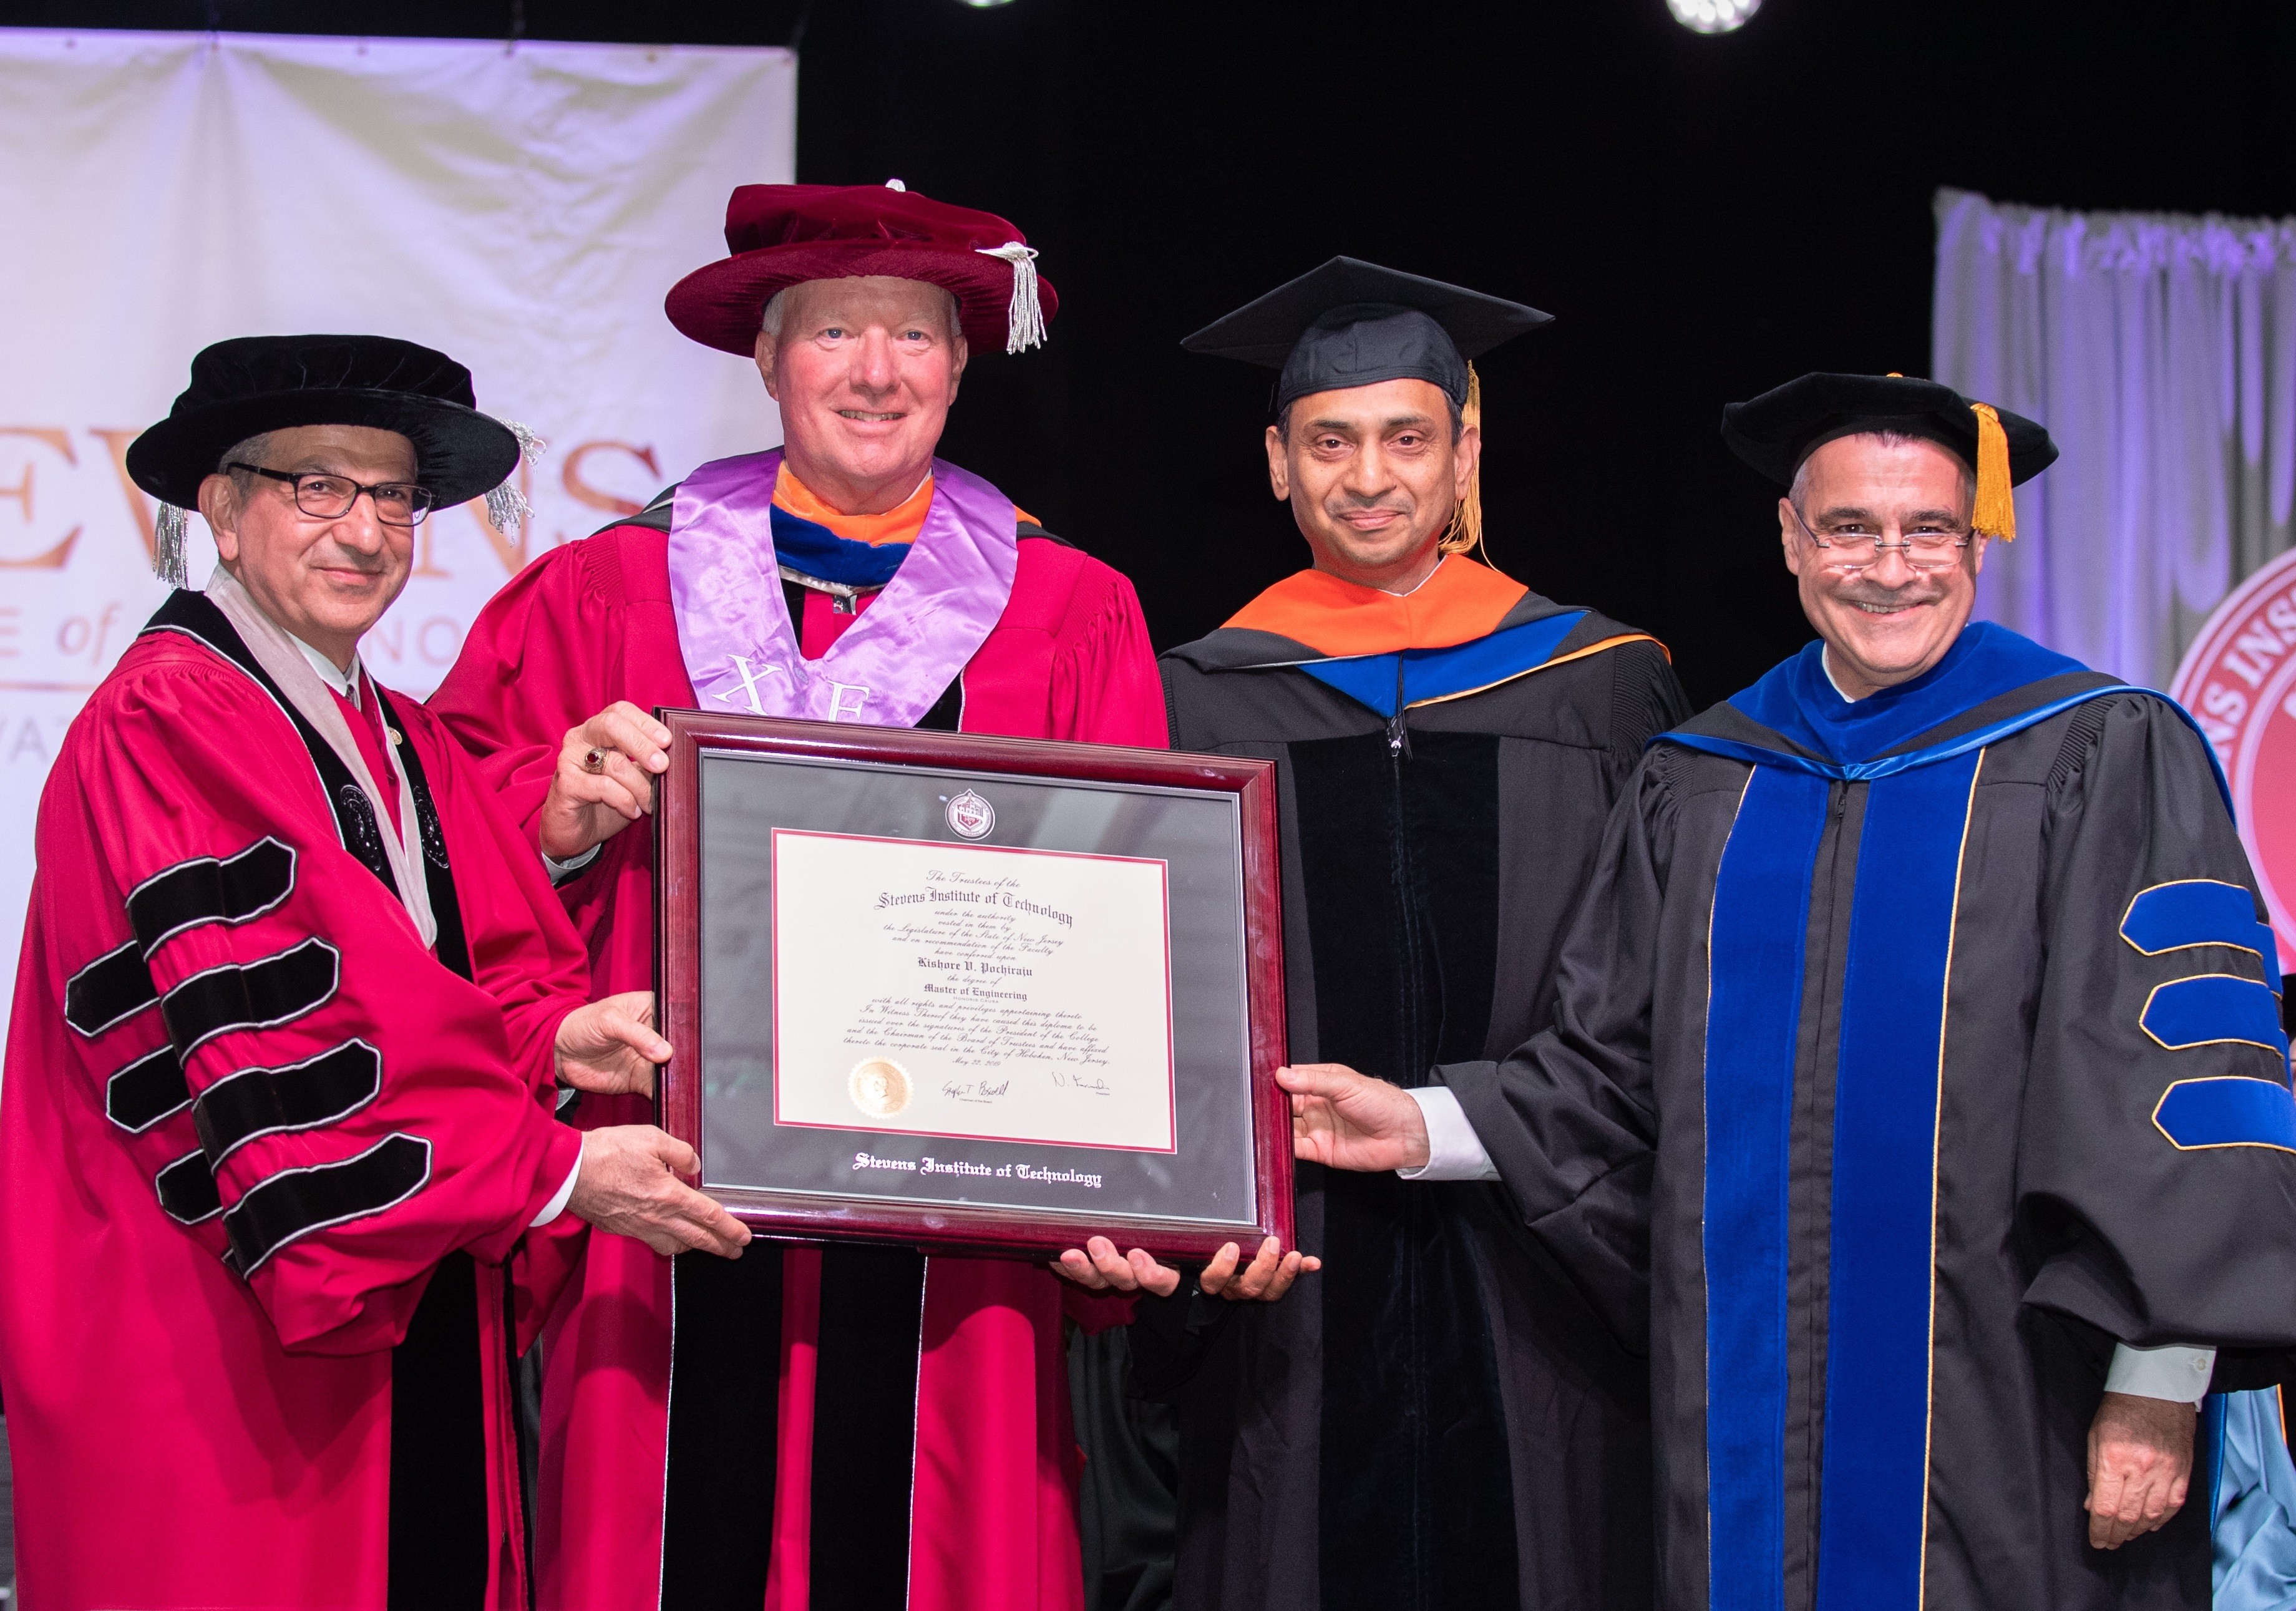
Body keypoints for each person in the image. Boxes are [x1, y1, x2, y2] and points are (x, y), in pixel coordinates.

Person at [1280, 372, 2296, 1610]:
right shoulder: (1707, 777)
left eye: (1928, 529)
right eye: (1849, 528)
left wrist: (2157, 1385)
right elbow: (1609, 1069)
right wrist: (1420, 1124)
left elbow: (2182, 1087)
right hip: (1748, 1419)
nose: (1890, 567)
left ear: (1977, 542)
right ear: (1791, 539)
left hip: (2015, 1413)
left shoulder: (2100, 748)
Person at [429, 180, 1193, 1610]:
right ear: (770, 360)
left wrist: (1133, 1182)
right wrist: (557, 814)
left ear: (960, 364)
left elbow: (1137, 929)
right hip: (668, 1204)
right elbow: (438, 829)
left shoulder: (1068, 607)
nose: (875, 371)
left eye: (913, 335)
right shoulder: (606, 585)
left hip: (958, 1237)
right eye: (834, 331)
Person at [0, 336, 749, 1611]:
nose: (365, 530)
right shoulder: (166, 717)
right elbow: (281, 1027)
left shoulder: (397, 734)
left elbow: (455, 976)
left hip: (397, 1312)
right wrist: (556, 1169)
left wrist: (554, 1044)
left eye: (394, 497)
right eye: (318, 487)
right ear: (221, 510)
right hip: (213, 1334)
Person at [1058, 258, 1690, 1610]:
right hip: (1282, 1285)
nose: (1369, 477)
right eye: (1330, 442)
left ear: (1467, 456)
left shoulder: (1600, 684)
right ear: (1276, 464)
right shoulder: (1193, 697)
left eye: (1407, 438)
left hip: (1543, 1268)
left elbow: (1656, 997)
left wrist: (1468, 1126)